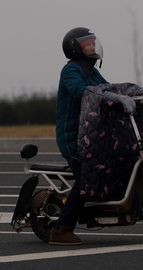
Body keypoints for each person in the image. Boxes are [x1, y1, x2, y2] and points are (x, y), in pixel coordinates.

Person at [50, 26, 106, 246]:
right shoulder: (71, 70)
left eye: (93, 43)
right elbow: (81, 91)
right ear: (75, 49)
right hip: (73, 136)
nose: (92, 46)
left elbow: (108, 88)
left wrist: (132, 95)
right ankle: (61, 229)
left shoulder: (92, 71)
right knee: (85, 179)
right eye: (87, 44)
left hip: (90, 134)